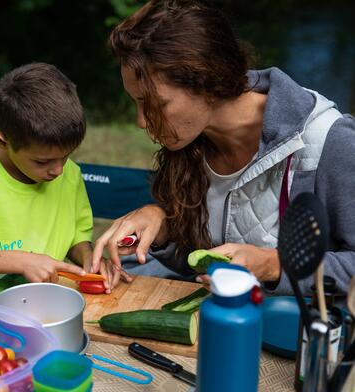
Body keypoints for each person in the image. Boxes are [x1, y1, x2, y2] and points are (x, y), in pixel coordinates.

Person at [92, 0, 355, 295]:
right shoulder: (191, 144)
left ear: (206, 81)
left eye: (156, 104)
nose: (142, 121)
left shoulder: (330, 140)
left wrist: (273, 264)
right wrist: (163, 227)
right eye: (136, 103)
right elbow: (200, 266)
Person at [0, 63, 126, 310]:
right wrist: (22, 261)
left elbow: (77, 238)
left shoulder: (70, 174)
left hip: (45, 316)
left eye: (66, 156)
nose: (58, 170)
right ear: (3, 141)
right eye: (42, 161)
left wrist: (89, 259)